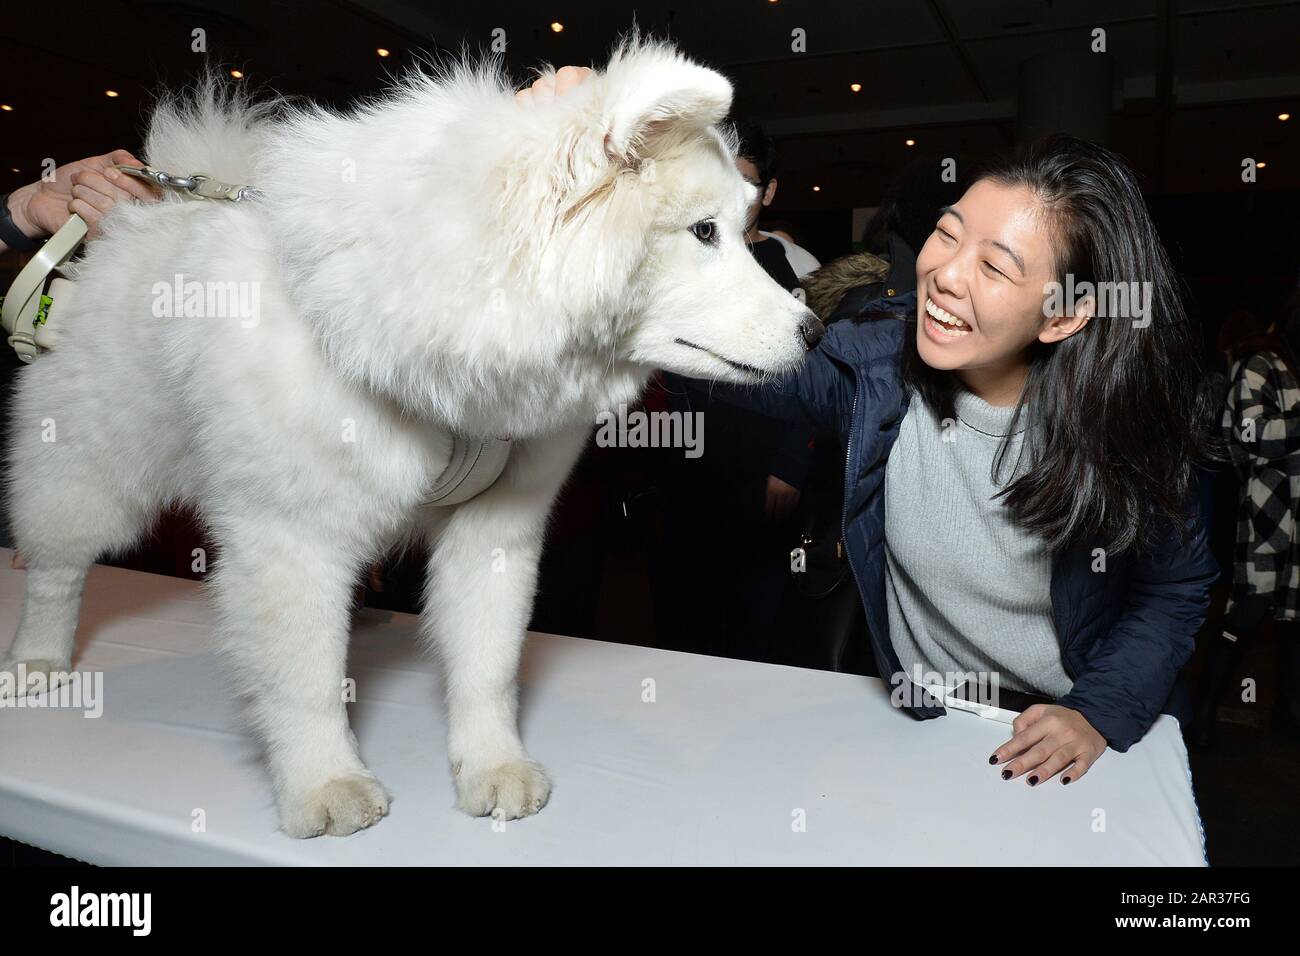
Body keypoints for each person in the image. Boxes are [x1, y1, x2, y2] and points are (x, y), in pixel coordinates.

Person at [523, 68, 1220, 783]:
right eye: (947, 236)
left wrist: (1098, 710)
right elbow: (749, 360)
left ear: (1066, 313)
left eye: (996, 266)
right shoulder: (880, 364)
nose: (946, 274)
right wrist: (592, 170)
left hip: (1068, 734)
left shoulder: (1134, 426)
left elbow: (1175, 588)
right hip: (922, 730)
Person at [1191, 290, 1300, 748]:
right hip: (1269, 508)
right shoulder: (1258, 366)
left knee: (1290, 621)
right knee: (1248, 613)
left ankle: (1286, 718)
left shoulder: (1275, 366)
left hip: (1284, 509)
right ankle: (1199, 717)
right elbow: (1249, 434)